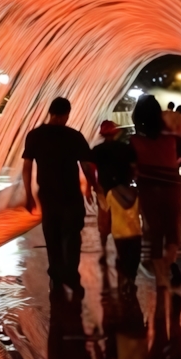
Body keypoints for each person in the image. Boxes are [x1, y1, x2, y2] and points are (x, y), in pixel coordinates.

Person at [22, 97, 100, 290]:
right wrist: (94, 186)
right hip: (70, 193)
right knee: (72, 233)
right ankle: (70, 273)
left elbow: (27, 167)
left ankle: (56, 273)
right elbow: (86, 166)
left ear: (51, 112)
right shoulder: (74, 136)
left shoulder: (35, 135)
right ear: (66, 114)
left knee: (52, 233)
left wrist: (28, 195)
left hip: (47, 193)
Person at [130, 95, 181, 286]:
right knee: (172, 232)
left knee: (154, 233)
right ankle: (169, 262)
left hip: (148, 190)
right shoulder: (170, 139)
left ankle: (161, 280)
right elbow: (179, 157)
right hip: (171, 188)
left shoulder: (134, 141)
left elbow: (132, 168)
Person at [91, 120, 135, 257]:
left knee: (104, 219)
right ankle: (121, 250)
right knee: (120, 218)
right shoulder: (125, 149)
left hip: (104, 187)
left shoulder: (97, 151)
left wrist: (94, 186)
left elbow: (91, 168)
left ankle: (103, 246)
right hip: (121, 187)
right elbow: (133, 167)